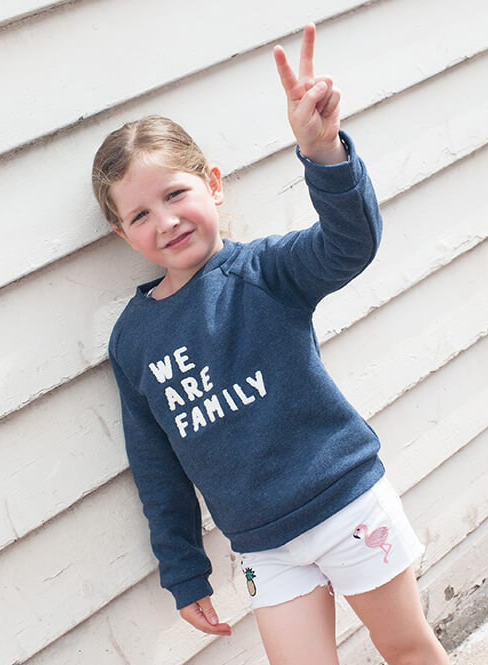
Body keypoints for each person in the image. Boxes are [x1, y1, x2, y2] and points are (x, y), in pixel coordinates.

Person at [91, 22, 451, 665]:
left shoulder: (266, 273)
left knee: (407, 647)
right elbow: (155, 463)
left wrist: (324, 152)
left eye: (176, 193)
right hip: (263, 546)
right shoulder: (134, 339)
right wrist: (183, 570)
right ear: (123, 235)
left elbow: (350, 245)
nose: (166, 220)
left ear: (214, 184)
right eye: (140, 214)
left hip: (347, 507)